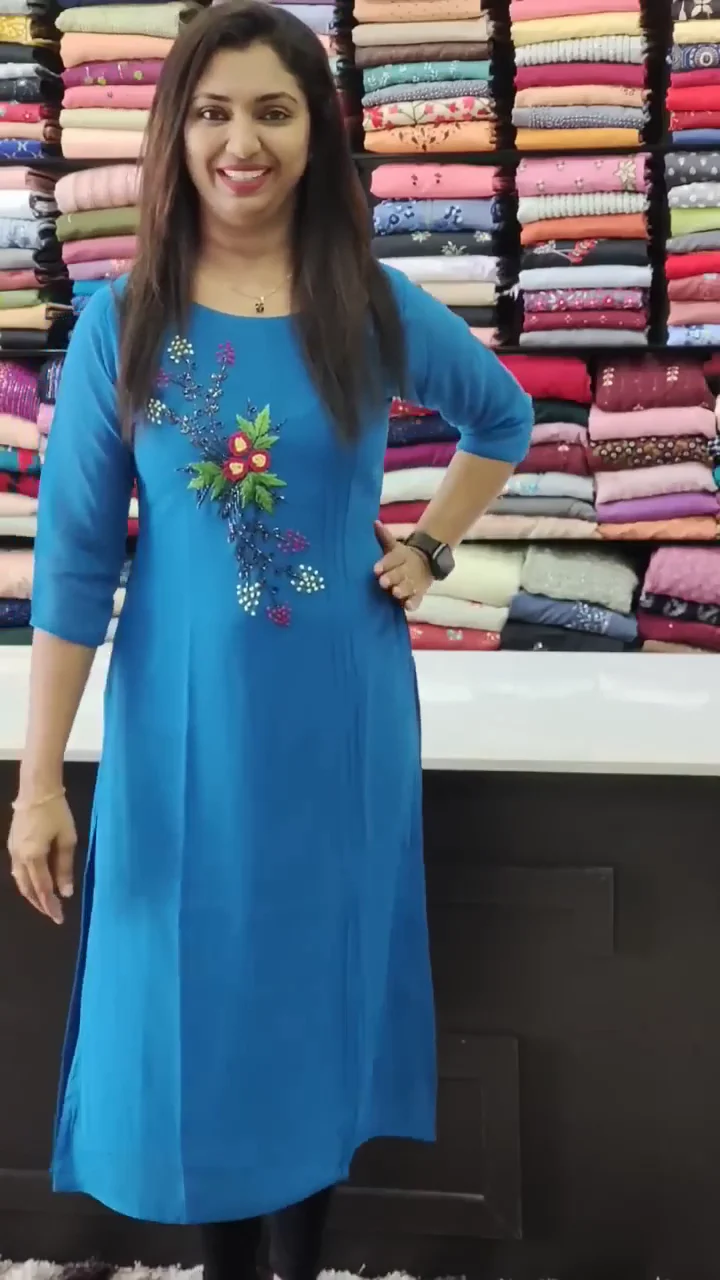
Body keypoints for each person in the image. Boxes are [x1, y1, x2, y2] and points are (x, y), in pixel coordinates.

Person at [6, 3, 532, 1277]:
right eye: (214, 112)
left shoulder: (368, 303)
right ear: (176, 132)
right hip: (179, 733)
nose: (242, 142)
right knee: (196, 1000)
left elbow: (503, 417)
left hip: (335, 717)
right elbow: (74, 564)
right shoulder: (123, 320)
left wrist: (431, 547)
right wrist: (39, 782)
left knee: (312, 993)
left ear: (316, 132)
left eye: (274, 112)